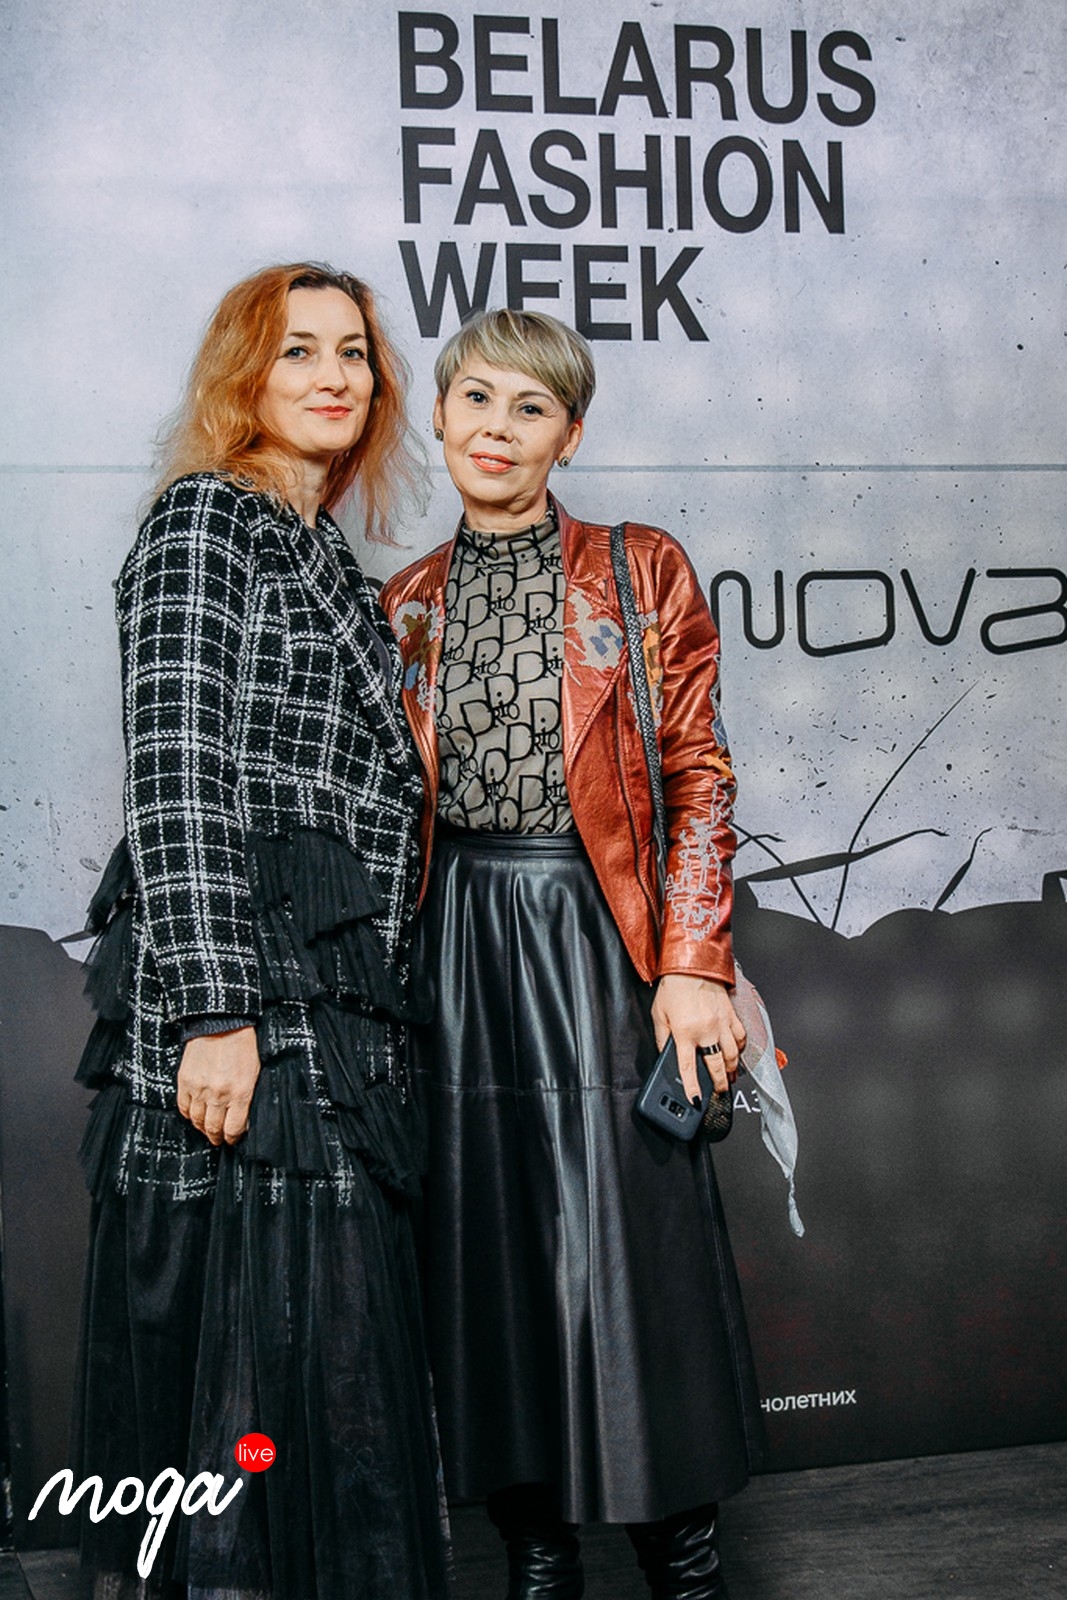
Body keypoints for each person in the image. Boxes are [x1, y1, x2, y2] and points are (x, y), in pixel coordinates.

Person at [73, 263, 448, 1600]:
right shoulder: (206, 521)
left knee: (327, 1357)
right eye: (298, 350)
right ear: (245, 374)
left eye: (354, 352)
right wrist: (213, 1010)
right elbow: (177, 775)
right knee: (261, 1354)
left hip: (333, 997)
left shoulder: (323, 551)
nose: (334, 375)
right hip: (252, 989)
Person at [380, 309, 765, 1600]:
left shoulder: (640, 569)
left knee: (630, 1262)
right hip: (456, 954)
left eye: (529, 406)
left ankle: (684, 1569)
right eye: (474, 399)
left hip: (603, 941)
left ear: (571, 434)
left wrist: (695, 960)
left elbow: (698, 775)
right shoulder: (404, 605)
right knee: (489, 1255)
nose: (496, 427)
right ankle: (536, 1562)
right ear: (440, 417)